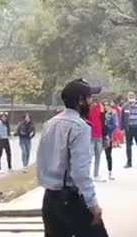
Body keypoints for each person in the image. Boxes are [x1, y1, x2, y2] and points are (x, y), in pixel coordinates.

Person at [36, 78, 108, 237]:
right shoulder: (79, 127)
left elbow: (41, 161)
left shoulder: (50, 124)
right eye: (89, 98)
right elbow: (80, 172)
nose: (92, 102)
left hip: (50, 199)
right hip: (70, 200)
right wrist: (93, 205)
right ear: (81, 100)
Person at [88, 97, 105, 182]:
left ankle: (96, 174)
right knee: (89, 155)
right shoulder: (88, 107)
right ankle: (88, 174)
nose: (94, 103)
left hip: (99, 134)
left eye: (96, 101)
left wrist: (105, 134)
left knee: (98, 155)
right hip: (90, 134)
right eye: (93, 101)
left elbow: (103, 119)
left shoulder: (100, 107)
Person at [103, 101, 117, 181]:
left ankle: (110, 172)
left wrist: (107, 127)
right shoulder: (101, 113)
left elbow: (114, 125)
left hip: (108, 136)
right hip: (100, 135)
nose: (105, 107)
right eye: (104, 105)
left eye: (107, 105)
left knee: (108, 155)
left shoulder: (112, 113)